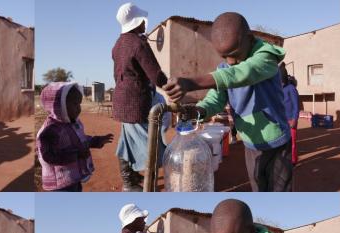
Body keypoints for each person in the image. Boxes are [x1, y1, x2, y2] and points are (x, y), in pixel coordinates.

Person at [163, 12, 292, 192]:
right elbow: (215, 100)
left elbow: (242, 74)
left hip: (276, 142)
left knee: (279, 191)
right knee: (258, 188)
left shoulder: (265, 57)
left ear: (248, 38)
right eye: (224, 57)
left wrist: (191, 82)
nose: (230, 61)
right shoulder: (225, 70)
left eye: (234, 54)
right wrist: (198, 111)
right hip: (251, 144)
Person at [113, 3, 168, 191]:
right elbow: (155, 75)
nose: (145, 24)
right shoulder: (138, 43)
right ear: (136, 22)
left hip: (121, 101)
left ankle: (129, 179)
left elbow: (117, 74)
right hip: (137, 103)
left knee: (126, 140)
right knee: (151, 146)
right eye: (142, 20)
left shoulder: (118, 44)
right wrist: (171, 85)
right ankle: (146, 186)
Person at [37, 82, 114, 192]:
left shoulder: (73, 123)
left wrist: (96, 141)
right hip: (60, 184)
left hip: (73, 178)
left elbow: (80, 139)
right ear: (59, 105)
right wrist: (76, 155)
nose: (78, 109)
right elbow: (48, 156)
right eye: (74, 104)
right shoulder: (50, 130)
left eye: (79, 104)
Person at [280, 64, 300, 164]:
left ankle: (293, 161)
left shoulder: (291, 88)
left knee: (292, 143)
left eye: (282, 81)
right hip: (281, 120)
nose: (281, 83)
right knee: (283, 142)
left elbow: (296, 105)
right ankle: (285, 159)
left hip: (291, 120)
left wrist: (294, 119)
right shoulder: (278, 89)